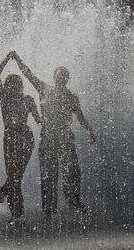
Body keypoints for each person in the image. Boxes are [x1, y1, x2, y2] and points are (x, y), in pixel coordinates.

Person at [10, 51, 96, 222]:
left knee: (72, 172)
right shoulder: (44, 89)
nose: (62, 77)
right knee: (48, 173)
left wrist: (90, 130)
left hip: (65, 137)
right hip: (48, 137)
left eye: (65, 75)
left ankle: (74, 202)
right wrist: (18, 59)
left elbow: (80, 117)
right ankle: (49, 209)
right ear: (55, 76)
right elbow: (28, 74)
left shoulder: (72, 97)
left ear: (67, 79)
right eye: (59, 74)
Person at [0, 52, 42, 224]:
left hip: (25, 138)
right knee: (14, 176)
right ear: (6, 86)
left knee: (15, 175)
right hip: (11, 138)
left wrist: (47, 119)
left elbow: (39, 120)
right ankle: (15, 212)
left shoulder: (28, 99)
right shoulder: (4, 98)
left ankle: (6, 196)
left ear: (20, 86)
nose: (12, 87)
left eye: (15, 84)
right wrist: (9, 59)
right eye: (9, 84)